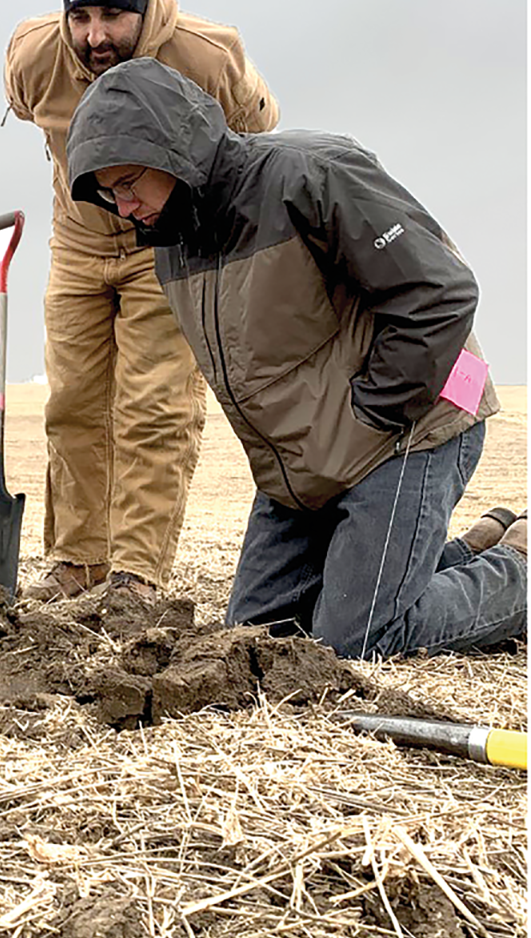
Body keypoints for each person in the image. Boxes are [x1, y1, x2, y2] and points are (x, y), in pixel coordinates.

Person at [65, 57, 526, 658]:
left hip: (413, 428)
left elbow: (442, 293)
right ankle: (467, 552)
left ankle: (517, 569)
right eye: (108, 193)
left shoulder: (309, 174)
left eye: (127, 183)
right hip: (308, 469)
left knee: (357, 639)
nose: (123, 207)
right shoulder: (173, 246)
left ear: (173, 149)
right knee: (254, 641)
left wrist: (372, 414)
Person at [4, 0, 279, 599]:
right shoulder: (34, 56)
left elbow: (256, 132)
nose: (95, 36)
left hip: (169, 245)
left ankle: (134, 575)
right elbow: (24, 108)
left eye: (112, 16)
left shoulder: (209, 57)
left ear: (144, 8)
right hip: (79, 245)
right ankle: (77, 562)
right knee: (72, 404)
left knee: (154, 407)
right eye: (81, 18)